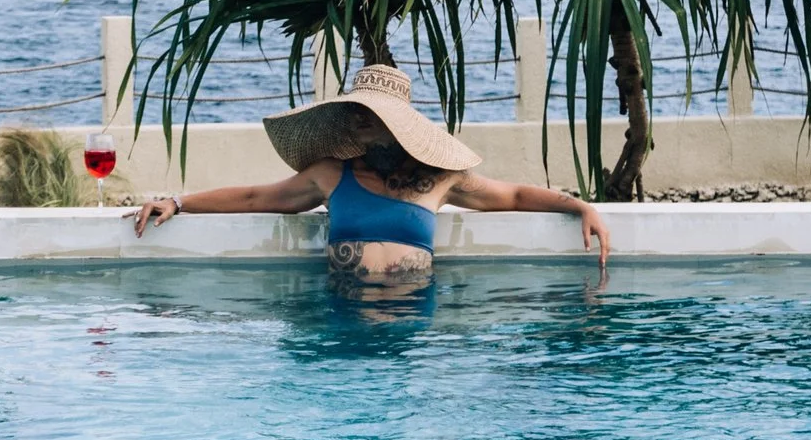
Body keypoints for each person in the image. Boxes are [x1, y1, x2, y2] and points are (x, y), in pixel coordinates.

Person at [129, 64, 611, 280]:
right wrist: (178, 201)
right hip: (341, 319)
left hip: (409, 326)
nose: (357, 123)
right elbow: (258, 197)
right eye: (355, 115)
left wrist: (580, 206)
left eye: (368, 117)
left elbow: (514, 196)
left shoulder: (442, 177)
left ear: (397, 125)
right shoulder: (330, 174)